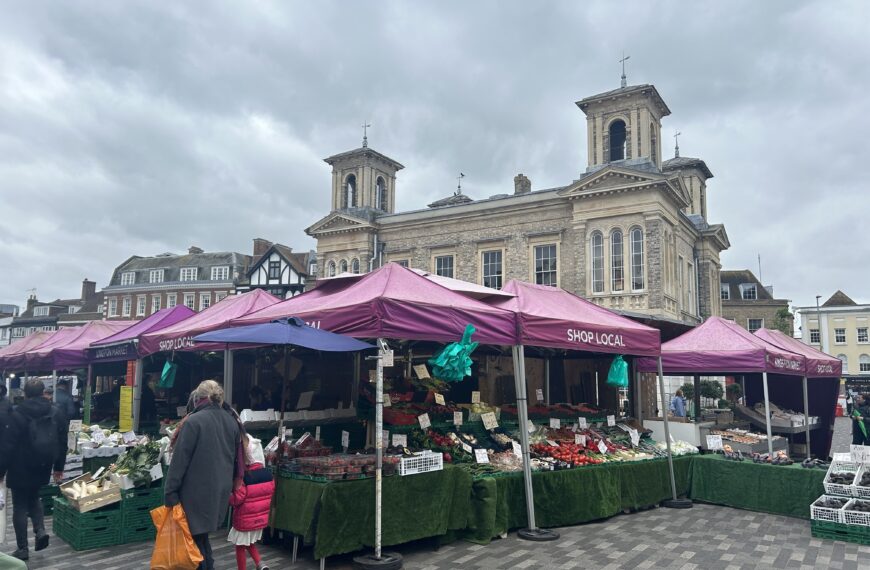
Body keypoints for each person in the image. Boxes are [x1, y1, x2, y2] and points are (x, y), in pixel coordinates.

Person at [164, 380, 242, 570]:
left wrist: (170, 493)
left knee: (194, 542)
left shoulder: (193, 421)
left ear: (197, 397)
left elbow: (179, 462)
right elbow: (235, 460)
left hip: (195, 492)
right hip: (219, 490)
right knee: (200, 538)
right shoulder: (231, 420)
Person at [0, 379, 69, 561]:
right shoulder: (55, 412)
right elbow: (63, 442)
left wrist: (1, 472)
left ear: (25, 393)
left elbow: (7, 445)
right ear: (42, 392)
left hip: (19, 466)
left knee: (20, 505)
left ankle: (23, 548)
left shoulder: (17, 414)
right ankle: (40, 531)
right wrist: (59, 467)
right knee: (34, 497)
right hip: (43, 464)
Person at [228, 437, 274, 570]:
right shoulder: (268, 474)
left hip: (244, 518)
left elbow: (237, 499)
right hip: (259, 518)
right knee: (248, 542)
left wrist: (228, 496)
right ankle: (261, 564)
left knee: (240, 546)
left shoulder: (245, 477)